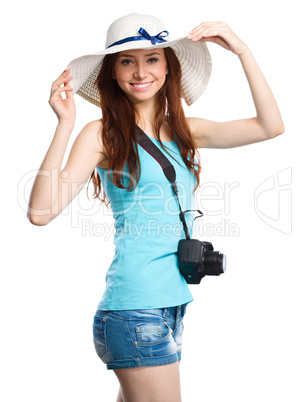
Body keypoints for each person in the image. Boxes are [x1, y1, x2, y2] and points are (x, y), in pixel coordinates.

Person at [27, 12, 284, 402]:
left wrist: (243, 51)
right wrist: (64, 124)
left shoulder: (185, 131)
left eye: (151, 59)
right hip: (136, 308)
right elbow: (41, 213)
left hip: (172, 304)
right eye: (126, 61)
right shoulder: (102, 134)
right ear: (112, 72)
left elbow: (270, 126)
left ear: (167, 66)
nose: (139, 71)